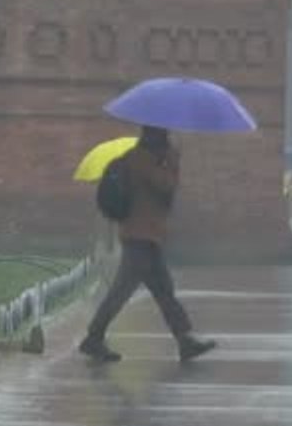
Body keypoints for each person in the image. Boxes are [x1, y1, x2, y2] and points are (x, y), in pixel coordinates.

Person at [79, 126, 216, 364]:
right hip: (140, 236)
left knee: (163, 290)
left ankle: (184, 340)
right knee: (122, 291)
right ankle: (94, 337)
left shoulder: (143, 159)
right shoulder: (142, 160)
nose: (167, 141)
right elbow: (166, 186)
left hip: (146, 235)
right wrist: (173, 161)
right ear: (156, 139)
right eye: (164, 137)